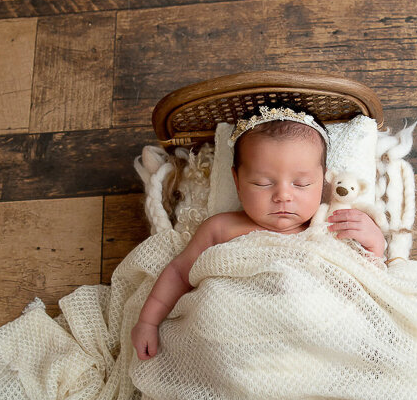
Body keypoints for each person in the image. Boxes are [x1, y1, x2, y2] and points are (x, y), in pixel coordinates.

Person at [131, 106, 386, 360]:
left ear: (323, 181)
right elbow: (179, 273)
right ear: (237, 181)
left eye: (302, 184)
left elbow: (361, 283)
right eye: (262, 183)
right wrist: (148, 322)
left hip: (313, 344)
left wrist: (375, 244)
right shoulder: (221, 227)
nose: (283, 196)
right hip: (232, 343)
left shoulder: (328, 227)